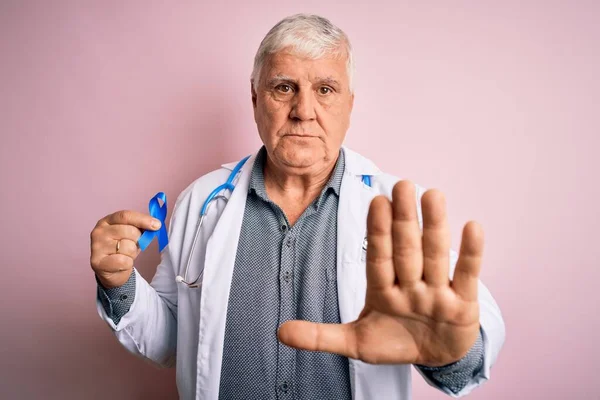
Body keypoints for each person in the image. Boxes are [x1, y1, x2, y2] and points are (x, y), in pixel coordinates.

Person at [90, 14, 505, 400]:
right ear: (255, 99)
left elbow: (457, 326)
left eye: (325, 90)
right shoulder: (202, 202)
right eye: (283, 87)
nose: (303, 111)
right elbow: (174, 341)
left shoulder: (394, 210)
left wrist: (455, 354)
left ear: (350, 105)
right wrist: (119, 284)